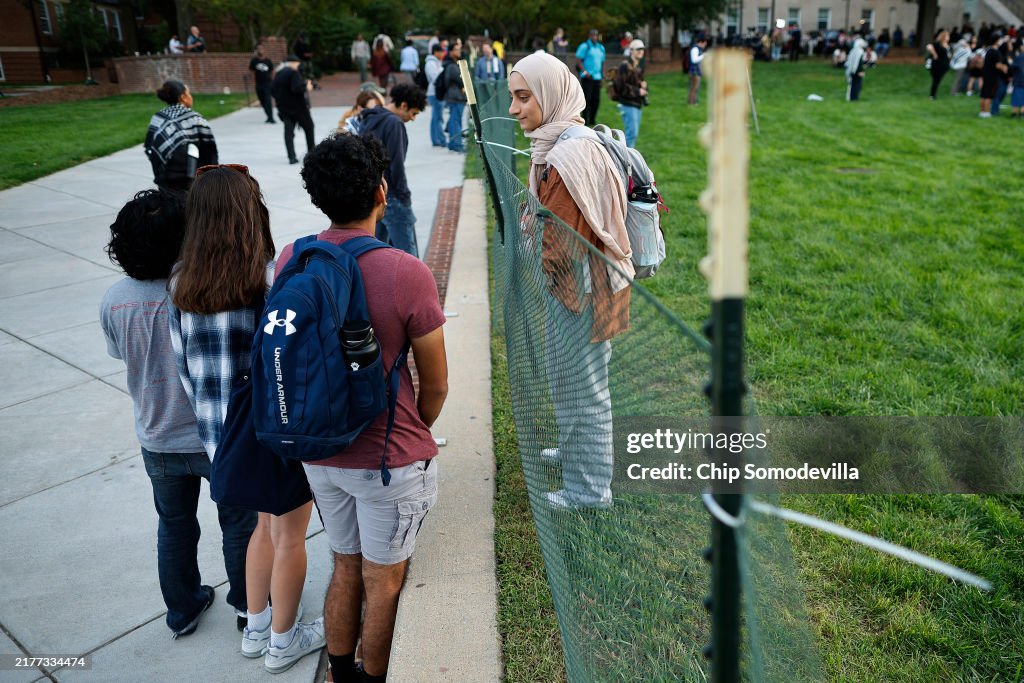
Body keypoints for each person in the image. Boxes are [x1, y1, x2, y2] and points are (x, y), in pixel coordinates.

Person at [280, 132, 446, 683]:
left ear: (317, 197)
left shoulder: (292, 258)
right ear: (381, 190)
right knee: (385, 578)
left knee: (344, 562)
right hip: (386, 459)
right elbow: (437, 384)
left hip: (319, 451)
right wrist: (415, 430)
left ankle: (341, 672)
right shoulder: (405, 272)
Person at [167, 165, 325, 674]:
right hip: (271, 430)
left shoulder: (179, 284)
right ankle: (285, 639)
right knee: (290, 535)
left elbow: (184, 372)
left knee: (263, 528)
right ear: (247, 215)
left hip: (221, 437)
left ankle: (256, 629)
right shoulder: (267, 276)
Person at [100, 190, 256, 641]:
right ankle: (249, 606)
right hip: (214, 435)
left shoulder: (114, 300)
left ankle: (182, 608)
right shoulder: (195, 290)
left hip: (157, 436)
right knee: (239, 524)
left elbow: (121, 355)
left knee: (173, 525)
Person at [508, 52, 633, 510]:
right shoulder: (564, 141)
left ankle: (589, 490)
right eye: (513, 97)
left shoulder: (567, 156)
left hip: (586, 291)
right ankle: (576, 452)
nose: (515, 109)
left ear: (551, 95)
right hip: (586, 285)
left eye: (524, 97)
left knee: (584, 389)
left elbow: (557, 246)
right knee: (570, 380)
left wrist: (533, 253)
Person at [358, 83, 426, 256]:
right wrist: (404, 197)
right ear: (403, 105)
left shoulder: (370, 118)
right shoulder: (394, 124)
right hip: (393, 196)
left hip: (372, 195)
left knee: (376, 252)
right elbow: (396, 166)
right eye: (413, 113)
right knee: (409, 255)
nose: (413, 119)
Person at [144, 80, 218, 196]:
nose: (190, 96)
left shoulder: (158, 118)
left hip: (165, 181)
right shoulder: (195, 119)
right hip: (192, 183)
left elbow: (150, 147)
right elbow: (209, 152)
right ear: (183, 97)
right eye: (189, 93)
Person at [271, 55, 315, 164]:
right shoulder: (293, 72)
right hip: (298, 108)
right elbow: (296, 88)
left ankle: (291, 157)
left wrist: (281, 101)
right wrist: (307, 87)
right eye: (298, 64)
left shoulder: (279, 74)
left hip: (284, 108)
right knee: (309, 128)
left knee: (288, 132)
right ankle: (312, 155)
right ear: (293, 63)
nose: (299, 66)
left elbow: (272, 90)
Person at [614, 39, 648, 147]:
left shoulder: (638, 66)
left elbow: (634, 83)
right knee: (631, 134)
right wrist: (638, 91)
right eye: (638, 49)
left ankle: (626, 158)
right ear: (631, 51)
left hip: (637, 103)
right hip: (627, 103)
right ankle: (625, 161)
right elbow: (620, 87)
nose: (641, 51)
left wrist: (643, 85)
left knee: (633, 134)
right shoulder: (624, 66)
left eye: (642, 49)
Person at [575, 29, 607, 126]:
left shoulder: (601, 48)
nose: (594, 37)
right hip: (587, 77)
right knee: (586, 99)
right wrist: (584, 72)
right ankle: (585, 120)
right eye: (592, 35)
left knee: (596, 100)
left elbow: (603, 62)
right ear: (589, 36)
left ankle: (593, 120)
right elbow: (578, 60)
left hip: (597, 77)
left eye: (596, 35)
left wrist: (603, 74)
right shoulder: (585, 46)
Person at [442, 42, 467, 152]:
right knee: (456, 121)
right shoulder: (452, 66)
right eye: (456, 50)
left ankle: (453, 144)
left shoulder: (452, 64)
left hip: (455, 97)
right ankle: (457, 145)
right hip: (456, 97)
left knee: (454, 120)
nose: (459, 52)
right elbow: (461, 80)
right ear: (451, 52)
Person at [980, 33, 1009, 117]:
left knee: (984, 94)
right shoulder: (995, 52)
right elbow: (997, 65)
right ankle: (986, 112)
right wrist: (1004, 67)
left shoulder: (989, 50)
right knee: (989, 95)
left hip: (986, 74)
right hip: (992, 76)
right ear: (996, 41)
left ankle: (982, 112)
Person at [425, 42, 448, 147]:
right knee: (437, 117)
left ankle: (437, 139)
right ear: (436, 52)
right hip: (434, 92)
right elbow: (435, 78)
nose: (442, 54)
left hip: (438, 92)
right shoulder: (430, 63)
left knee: (437, 117)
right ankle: (439, 139)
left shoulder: (437, 62)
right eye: (441, 52)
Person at [249, 44, 275, 123]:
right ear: (257, 50)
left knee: (268, 100)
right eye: (258, 49)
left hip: (267, 84)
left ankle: (271, 118)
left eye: (261, 48)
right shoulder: (254, 61)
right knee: (262, 101)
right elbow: (252, 72)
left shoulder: (268, 61)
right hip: (258, 84)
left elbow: (272, 71)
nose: (260, 50)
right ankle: (268, 116)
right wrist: (253, 82)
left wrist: (272, 81)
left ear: (264, 50)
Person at [926, 30, 951, 99]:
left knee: (937, 80)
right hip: (937, 65)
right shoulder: (937, 44)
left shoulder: (947, 46)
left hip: (944, 66)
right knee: (936, 80)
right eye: (947, 36)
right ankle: (932, 95)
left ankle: (933, 94)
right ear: (943, 37)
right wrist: (934, 54)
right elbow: (929, 46)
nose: (948, 37)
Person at [688, 35, 708, 105]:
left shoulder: (698, 49)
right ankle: (691, 103)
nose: (705, 46)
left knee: (695, 88)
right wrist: (703, 56)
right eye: (705, 44)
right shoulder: (695, 49)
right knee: (693, 88)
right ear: (701, 42)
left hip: (697, 71)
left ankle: (694, 101)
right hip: (694, 72)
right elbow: (694, 60)